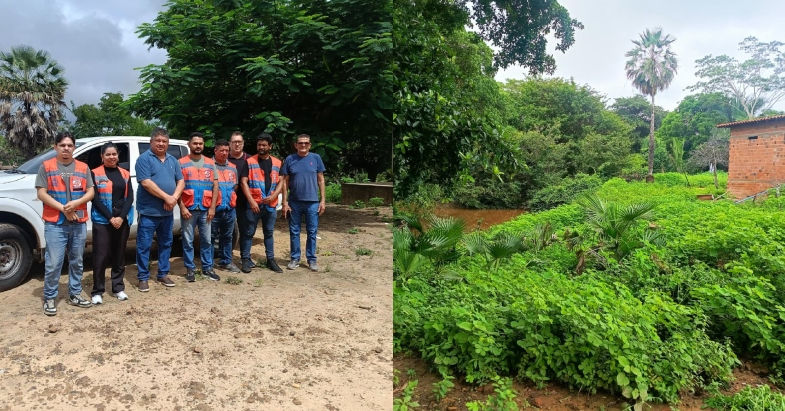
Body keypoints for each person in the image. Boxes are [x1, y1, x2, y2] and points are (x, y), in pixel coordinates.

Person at [36, 131, 95, 315]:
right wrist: (63, 209)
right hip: (55, 224)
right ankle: (50, 297)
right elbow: (41, 193)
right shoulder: (46, 166)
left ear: (74, 148)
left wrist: (76, 204)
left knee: (77, 261)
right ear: (55, 147)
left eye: (69, 145)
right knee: (54, 263)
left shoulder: (83, 167)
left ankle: (75, 294)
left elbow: (91, 192)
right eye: (62, 145)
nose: (66, 148)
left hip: (78, 223)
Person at [135, 127, 184, 292]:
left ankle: (163, 274)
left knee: (166, 243)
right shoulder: (144, 159)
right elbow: (146, 183)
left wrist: (174, 198)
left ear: (168, 143)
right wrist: (166, 198)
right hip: (148, 212)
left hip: (167, 212)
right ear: (151, 142)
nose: (161, 144)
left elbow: (181, 181)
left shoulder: (173, 160)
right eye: (158, 141)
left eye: (164, 141)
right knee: (144, 245)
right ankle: (143, 277)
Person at [90, 142, 134, 304]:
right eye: (107, 154)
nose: (111, 157)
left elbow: (130, 197)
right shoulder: (94, 173)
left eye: (114, 154)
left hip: (121, 220)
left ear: (118, 156)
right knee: (100, 256)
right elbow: (95, 198)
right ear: (102, 156)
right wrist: (110, 218)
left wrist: (121, 217)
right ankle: (97, 291)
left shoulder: (125, 173)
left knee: (119, 255)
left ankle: (118, 288)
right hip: (102, 220)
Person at [179, 132, 220, 282]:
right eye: (195, 143)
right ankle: (190, 269)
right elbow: (177, 187)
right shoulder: (181, 163)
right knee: (188, 240)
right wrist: (182, 207)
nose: (198, 146)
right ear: (189, 144)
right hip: (188, 209)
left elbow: (215, 186)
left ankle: (207, 268)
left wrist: (212, 208)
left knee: (207, 240)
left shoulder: (210, 163)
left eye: (200, 143)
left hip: (205, 209)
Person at [281, 134, 326, 272]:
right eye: (300, 143)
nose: (303, 145)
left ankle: (311, 259)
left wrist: (323, 200)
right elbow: (285, 182)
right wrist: (284, 202)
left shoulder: (316, 158)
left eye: (306, 143)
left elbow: (321, 180)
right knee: (294, 231)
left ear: (310, 145)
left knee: (312, 231)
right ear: (296, 145)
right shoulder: (290, 159)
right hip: (294, 202)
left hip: (312, 202)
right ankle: (295, 258)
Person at [240, 133, 283, 273]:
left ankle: (271, 260)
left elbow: (281, 181)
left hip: (270, 205)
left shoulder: (277, 162)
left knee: (269, 233)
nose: (261, 147)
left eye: (264, 145)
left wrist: (274, 196)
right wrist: (251, 201)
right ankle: (245, 259)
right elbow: (243, 182)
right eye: (259, 145)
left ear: (270, 146)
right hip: (254, 205)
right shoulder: (249, 161)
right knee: (248, 233)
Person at [212, 140, 241, 272]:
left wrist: (228, 198)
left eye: (227, 151)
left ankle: (226, 262)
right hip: (213, 209)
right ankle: (208, 264)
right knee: (210, 237)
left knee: (228, 237)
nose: (224, 153)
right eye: (221, 150)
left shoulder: (233, 167)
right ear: (215, 151)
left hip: (229, 209)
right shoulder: (209, 166)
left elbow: (235, 186)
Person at [227, 131, 252, 268]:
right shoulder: (224, 158)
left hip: (245, 202)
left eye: (239, 142)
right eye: (234, 142)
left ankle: (245, 258)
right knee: (227, 232)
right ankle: (227, 258)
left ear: (243, 143)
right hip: (227, 202)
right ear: (230, 144)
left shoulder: (250, 160)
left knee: (246, 231)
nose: (237, 144)